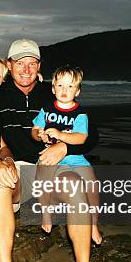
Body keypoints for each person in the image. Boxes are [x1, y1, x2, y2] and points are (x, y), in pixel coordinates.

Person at [0, 39, 106, 262]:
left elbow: (90, 136)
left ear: (39, 67)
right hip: (21, 169)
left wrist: (64, 150)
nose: (26, 69)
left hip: (55, 167)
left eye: (32, 63)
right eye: (20, 63)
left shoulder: (54, 92)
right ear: (9, 66)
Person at [31, 65, 102, 245]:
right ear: (53, 89)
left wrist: (61, 135)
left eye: (70, 86)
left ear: (77, 91)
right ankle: (45, 212)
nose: (65, 90)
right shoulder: (46, 110)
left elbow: (81, 138)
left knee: (92, 184)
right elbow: (35, 129)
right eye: (61, 86)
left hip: (76, 159)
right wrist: (39, 134)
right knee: (42, 173)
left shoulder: (80, 114)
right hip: (51, 156)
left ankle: (93, 222)